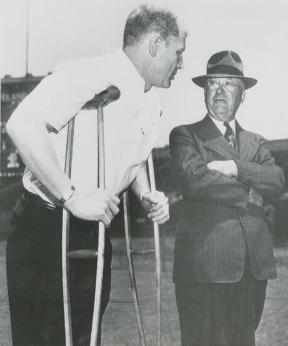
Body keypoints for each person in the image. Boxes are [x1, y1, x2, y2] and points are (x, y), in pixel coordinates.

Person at [5, 5, 186, 345]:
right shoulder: (87, 73)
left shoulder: (152, 103)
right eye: (179, 52)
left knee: (87, 337)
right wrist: (71, 196)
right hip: (46, 227)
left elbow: (131, 160)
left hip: (93, 232)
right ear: (155, 45)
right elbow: (21, 124)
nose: (181, 64)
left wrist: (146, 193)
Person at [169, 50, 284, 346]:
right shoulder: (186, 135)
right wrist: (250, 193)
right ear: (204, 91)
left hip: (252, 267)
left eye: (230, 84)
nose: (220, 91)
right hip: (204, 267)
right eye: (213, 83)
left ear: (242, 94)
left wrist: (234, 168)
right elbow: (196, 180)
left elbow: (277, 180)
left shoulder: (254, 142)